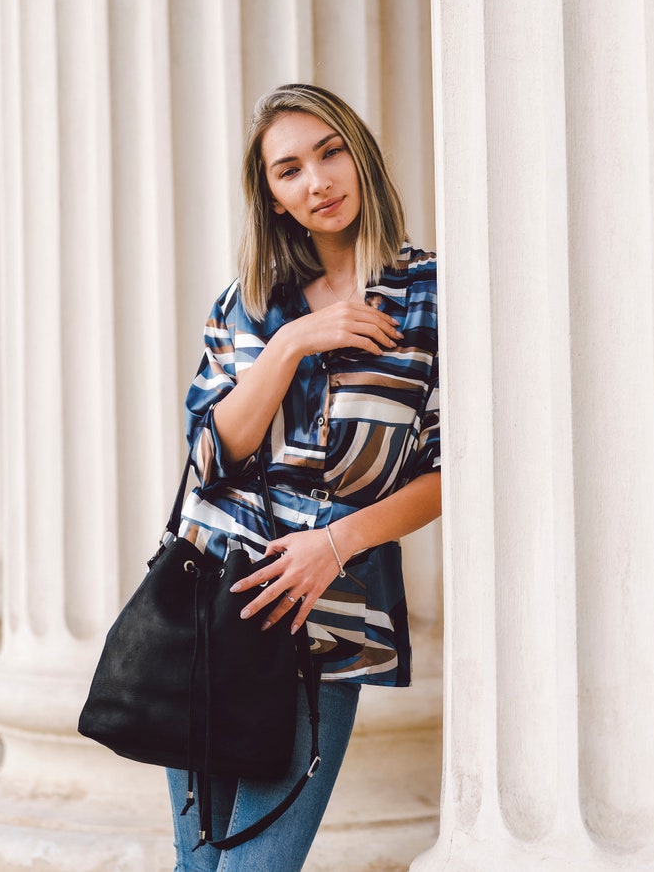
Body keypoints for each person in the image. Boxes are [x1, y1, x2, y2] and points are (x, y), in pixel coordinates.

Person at [167, 83, 442, 872]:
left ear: (360, 153)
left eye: (328, 152)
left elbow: (452, 468)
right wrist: (292, 342)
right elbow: (212, 456)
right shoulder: (248, 304)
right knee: (198, 867)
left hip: (328, 621)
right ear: (274, 198)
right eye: (289, 171)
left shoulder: (430, 295)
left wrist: (336, 541)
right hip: (212, 611)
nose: (316, 181)